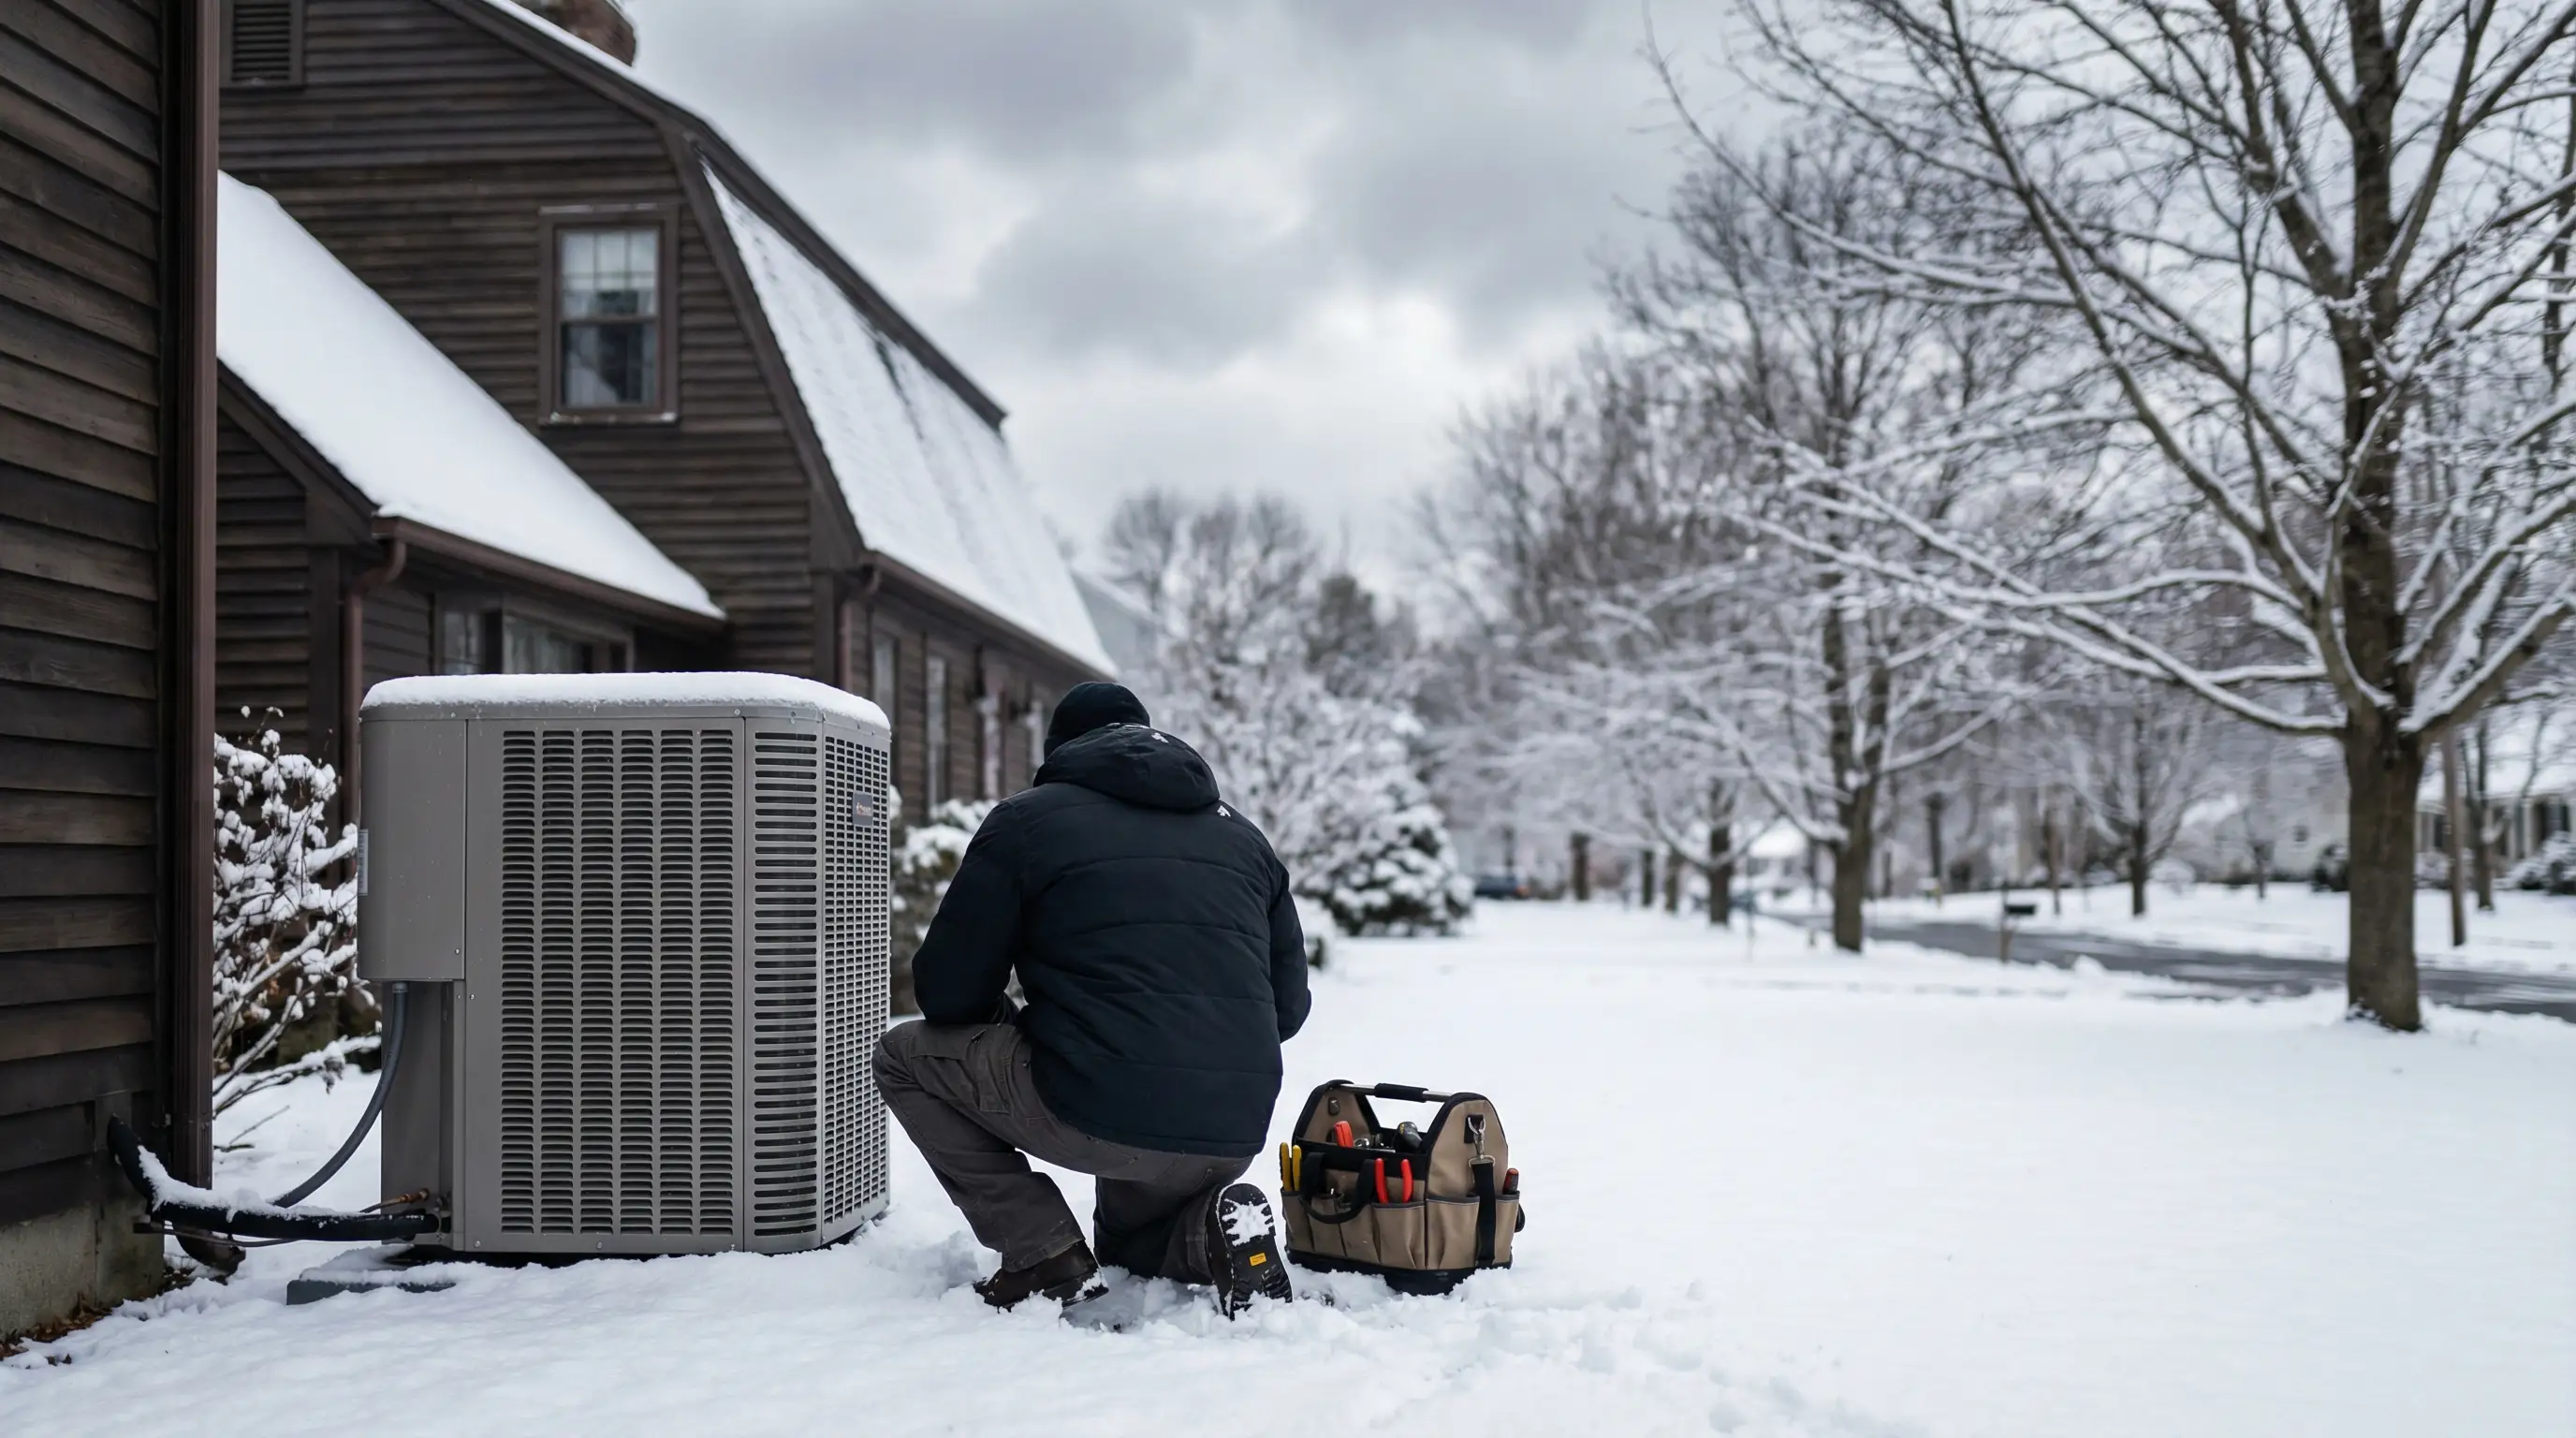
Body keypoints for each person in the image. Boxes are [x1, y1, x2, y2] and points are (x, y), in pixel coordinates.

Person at [872, 682, 1310, 1316]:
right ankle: (1213, 1231)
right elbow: (1288, 1013)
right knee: (1132, 1246)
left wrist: (1016, 1023)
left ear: (1060, 751)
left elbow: (947, 991)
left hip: (1096, 1105)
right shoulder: (1246, 840)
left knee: (902, 1054)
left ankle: (1041, 1251)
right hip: (1231, 1129)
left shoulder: (1028, 820)